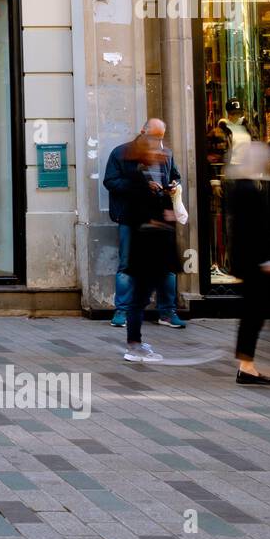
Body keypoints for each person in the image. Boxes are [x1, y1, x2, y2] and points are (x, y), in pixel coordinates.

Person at [104, 119, 188, 329]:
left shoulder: (165, 154)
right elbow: (111, 181)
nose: (158, 142)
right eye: (154, 137)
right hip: (132, 217)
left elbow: (175, 176)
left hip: (160, 216)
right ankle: (122, 311)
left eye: (161, 138)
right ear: (143, 132)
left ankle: (167, 312)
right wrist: (143, 185)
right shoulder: (123, 153)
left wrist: (173, 185)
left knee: (167, 266)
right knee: (127, 264)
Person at [225, 142, 270, 385]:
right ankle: (247, 366)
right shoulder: (247, 189)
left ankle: (246, 364)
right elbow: (254, 230)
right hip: (256, 262)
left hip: (252, 261)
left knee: (255, 313)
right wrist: (269, 260)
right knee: (256, 313)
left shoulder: (244, 186)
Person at [116, 133, 178, 362]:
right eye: (155, 148)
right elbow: (136, 215)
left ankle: (138, 340)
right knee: (138, 299)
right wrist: (159, 218)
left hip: (152, 250)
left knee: (141, 297)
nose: (160, 152)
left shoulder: (142, 177)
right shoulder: (137, 179)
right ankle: (134, 344)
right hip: (146, 251)